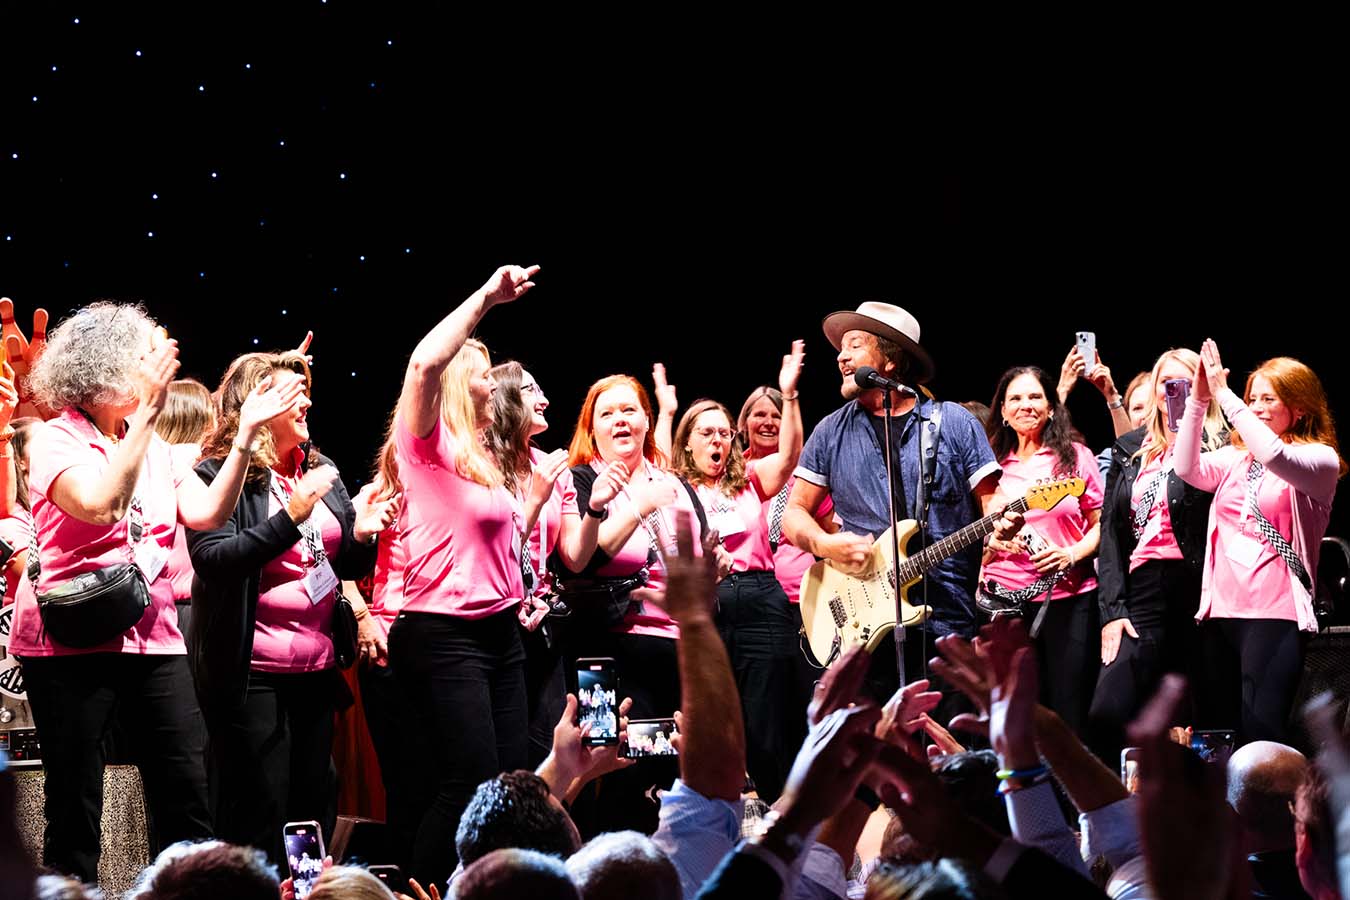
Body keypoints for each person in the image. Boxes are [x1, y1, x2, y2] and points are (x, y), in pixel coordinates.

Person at [8, 303, 301, 882]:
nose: (154, 373)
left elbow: (207, 510)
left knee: (186, 795)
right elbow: (101, 505)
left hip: (154, 639)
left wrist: (244, 436)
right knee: (76, 809)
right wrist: (149, 414)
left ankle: (189, 895)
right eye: (142, 361)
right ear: (104, 370)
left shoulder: (160, 451)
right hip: (67, 645)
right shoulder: (52, 441)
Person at [187, 350, 392, 864]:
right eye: (289, 396)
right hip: (252, 674)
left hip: (316, 671)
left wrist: (362, 533)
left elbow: (340, 560)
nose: (306, 403)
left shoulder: (320, 467)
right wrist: (292, 513)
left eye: (304, 394)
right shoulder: (219, 474)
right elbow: (216, 559)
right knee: (260, 812)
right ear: (255, 406)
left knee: (311, 810)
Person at [385, 264, 549, 887]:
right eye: (482, 370)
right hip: (442, 634)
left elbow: (492, 548)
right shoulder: (425, 443)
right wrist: (485, 298)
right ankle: (416, 889)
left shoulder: (484, 461)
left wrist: (520, 595)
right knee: (468, 784)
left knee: (509, 786)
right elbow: (424, 363)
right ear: (460, 384)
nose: (494, 380)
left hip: (500, 632)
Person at [783, 302, 1015, 711]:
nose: (840, 355)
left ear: (889, 361)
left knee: (948, 755)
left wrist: (1003, 522)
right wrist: (825, 544)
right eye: (841, 347)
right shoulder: (829, 431)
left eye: (855, 344)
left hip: (946, 622)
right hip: (863, 630)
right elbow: (794, 513)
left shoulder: (955, 423)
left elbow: (992, 502)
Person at [1176, 341, 1345, 744]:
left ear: (1299, 407)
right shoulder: (1237, 459)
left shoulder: (1320, 461)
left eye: (1269, 399)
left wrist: (1224, 394)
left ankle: (1268, 807)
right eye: (1253, 398)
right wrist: (1199, 401)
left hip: (1273, 612)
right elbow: (1186, 467)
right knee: (1218, 733)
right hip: (1220, 610)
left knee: (1261, 732)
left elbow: (1274, 456)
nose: (1255, 407)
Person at [669, 341, 804, 801]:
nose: (718, 441)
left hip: (761, 600)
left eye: (725, 433)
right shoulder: (673, 488)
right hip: (707, 608)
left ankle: (783, 827)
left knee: (769, 727)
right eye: (707, 433)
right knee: (715, 722)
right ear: (687, 439)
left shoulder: (747, 480)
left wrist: (789, 395)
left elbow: (788, 457)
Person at [1089, 348, 1227, 756]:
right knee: (1107, 712)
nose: (1175, 392)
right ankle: (1119, 813)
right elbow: (1110, 533)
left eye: (1185, 383)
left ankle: (1216, 815)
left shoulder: (1220, 445)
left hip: (1203, 587)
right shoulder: (1130, 447)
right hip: (1143, 586)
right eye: (1166, 384)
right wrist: (1112, 612)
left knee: (1209, 718)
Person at [979, 365, 1103, 741]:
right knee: (1014, 715)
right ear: (1001, 409)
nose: (1025, 405)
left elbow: (1102, 524)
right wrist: (991, 545)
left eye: (1035, 397)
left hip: (1068, 599)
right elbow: (974, 538)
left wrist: (1071, 553)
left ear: (1051, 407)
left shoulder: (1076, 458)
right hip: (1004, 603)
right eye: (1015, 398)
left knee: (1068, 714)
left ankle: (1074, 799)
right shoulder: (989, 465)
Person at [155, 378, 216, 637]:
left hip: (152, 605)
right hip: (200, 604)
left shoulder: (149, 463)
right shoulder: (209, 466)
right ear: (205, 420)